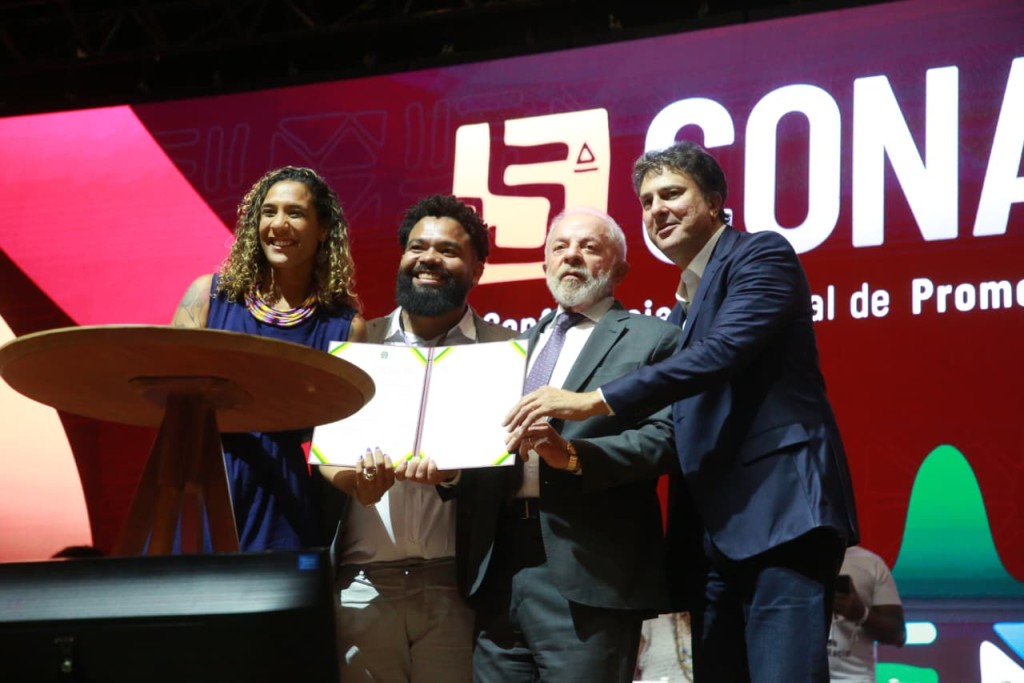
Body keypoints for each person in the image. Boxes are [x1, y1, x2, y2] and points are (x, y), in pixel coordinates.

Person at [504, 142, 860, 682]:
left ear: (715, 201)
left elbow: (724, 352)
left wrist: (594, 400)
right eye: (647, 201)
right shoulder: (682, 306)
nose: (657, 210)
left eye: (672, 194)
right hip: (712, 535)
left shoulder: (760, 254)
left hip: (781, 513)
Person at [405, 207, 680, 683]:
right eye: (560, 247)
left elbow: (665, 439)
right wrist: (451, 473)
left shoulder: (654, 340)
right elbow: (485, 444)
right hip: (497, 567)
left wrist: (570, 456)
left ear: (620, 269)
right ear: (544, 264)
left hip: (589, 571)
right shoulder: (510, 349)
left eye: (589, 247)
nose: (571, 256)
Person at [319, 194, 514, 683]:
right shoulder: (358, 342)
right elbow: (324, 447)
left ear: (478, 269)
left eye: (448, 250)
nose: (429, 259)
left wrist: (457, 476)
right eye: (417, 247)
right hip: (361, 584)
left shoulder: (506, 354)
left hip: (457, 586)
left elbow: (514, 477)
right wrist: (352, 481)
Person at [171, 165, 365, 552]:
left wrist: (363, 483)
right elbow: (170, 400)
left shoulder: (346, 327)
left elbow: (334, 446)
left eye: (295, 213)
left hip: (282, 500)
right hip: (199, 482)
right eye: (268, 212)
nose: (278, 225)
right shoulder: (208, 296)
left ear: (323, 229)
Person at [828, 545, 906, 682]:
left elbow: (898, 634)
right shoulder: (791, 560)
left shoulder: (870, 563)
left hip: (854, 678)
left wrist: (862, 614)